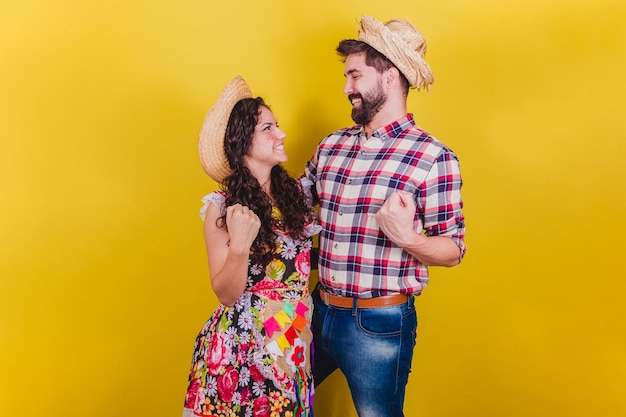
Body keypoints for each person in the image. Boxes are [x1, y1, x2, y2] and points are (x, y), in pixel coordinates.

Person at [303, 16, 467, 417]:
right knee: (277, 401)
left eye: (355, 75)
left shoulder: (433, 158)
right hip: (314, 310)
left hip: (378, 324)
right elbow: (293, 207)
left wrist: (408, 238)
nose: (346, 88)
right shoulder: (331, 145)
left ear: (389, 76)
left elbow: (453, 249)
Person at [183, 76, 320, 417]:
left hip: (293, 335)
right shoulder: (222, 207)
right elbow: (226, 294)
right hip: (244, 345)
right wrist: (240, 247)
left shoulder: (295, 197)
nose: (281, 134)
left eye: (278, 125)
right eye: (268, 128)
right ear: (243, 142)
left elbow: (293, 264)